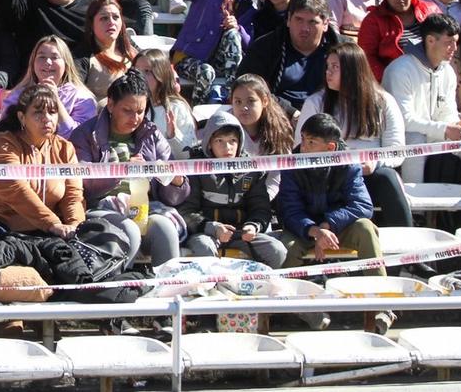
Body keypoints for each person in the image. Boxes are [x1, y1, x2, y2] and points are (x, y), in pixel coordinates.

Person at [277, 112, 395, 334]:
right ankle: (299, 307)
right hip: (303, 228)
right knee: (285, 250)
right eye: (303, 139)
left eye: (311, 142)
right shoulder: (292, 163)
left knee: (366, 229)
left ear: (330, 148)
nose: (303, 146)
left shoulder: (348, 162)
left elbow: (362, 205)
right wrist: (313, 230)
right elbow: (288, 209)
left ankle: (383, 305)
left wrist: (327, 226)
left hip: (337, 228)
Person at [71, 70, 189, 269]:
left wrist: (176, 181)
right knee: (129, 230)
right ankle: (121, 290)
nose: (135, 118)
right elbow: (81, 183)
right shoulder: (85, 134)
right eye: (127, 110)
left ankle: (167, 289)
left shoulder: (152, 134)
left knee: (165, 228)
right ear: (110, 104)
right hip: (100, 208)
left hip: (144, 206)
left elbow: (176, 195)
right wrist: (120, 171)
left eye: (140, 111)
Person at [0, 84, 86, 245]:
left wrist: (75, 227)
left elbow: (73, 196)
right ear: (22, 117)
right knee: (14, 250)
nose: (46, 118)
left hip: (40, 227)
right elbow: (16, 190)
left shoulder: (65, 149)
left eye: (52, 112)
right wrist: (53, 224)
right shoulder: (2, 144)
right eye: (38, 112)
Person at [296, 42, 410, 226]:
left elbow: (397, 150)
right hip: (329, 177)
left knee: (388, 178)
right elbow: (300, 147)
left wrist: (375, 162)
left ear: (353, 70)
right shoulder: (316, 103)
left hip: (370, 174)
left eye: (335, 67)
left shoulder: (384, 101)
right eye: (327, 67)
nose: (328, 72)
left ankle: (405, 241)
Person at [383, 13, 461, 184]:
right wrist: (445, 129)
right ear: (430, 41)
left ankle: (456, 206)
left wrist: (459, 124)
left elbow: (447, 112)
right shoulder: (400, 70)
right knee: (415, 139)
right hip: (399, 139)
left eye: (456, 42)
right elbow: (404, 121)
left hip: (431, 134)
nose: (454, 48)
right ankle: (416, 206)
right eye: (448, 42)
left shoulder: (448, 71)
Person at [178, 113, 287, 267]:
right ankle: (211, 288)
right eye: (219, 141)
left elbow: (261, 207)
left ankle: (256, 286)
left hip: (241, 233)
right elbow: (186, 211)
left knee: (276, 251)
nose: (227, 148)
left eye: (232, 141)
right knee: (204, 248)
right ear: (209, 143)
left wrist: (254, 225)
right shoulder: (196, 168)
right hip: (206, 233)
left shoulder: (251, 169)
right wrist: (213, 228)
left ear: (240, 142)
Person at [151, 0, 252, 104]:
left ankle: (231, 94)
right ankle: (198, 114)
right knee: (206, 72)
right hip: (188, 57)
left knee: (234, 34)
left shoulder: (249, 4)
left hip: (220, 61)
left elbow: (250, 43)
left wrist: (239, 28)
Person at [237, 0, 340, 116]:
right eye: (299, 19)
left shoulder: (342, 51)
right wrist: (290, 112)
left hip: (330, 115)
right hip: (277, 115)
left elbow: (358, 88)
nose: (305, 28)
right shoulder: (265, 47)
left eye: (313, 22)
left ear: (325, 24)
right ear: (289, 20)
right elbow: (247, 87)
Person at [357, 0, 438, 81]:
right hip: (392, 83)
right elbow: (366, 57)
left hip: (430, 78)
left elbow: (444, 42)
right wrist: (390, 79)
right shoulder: (373, 20)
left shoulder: (430, 11)